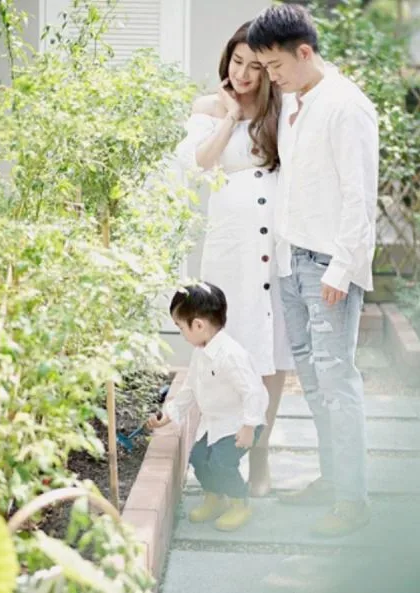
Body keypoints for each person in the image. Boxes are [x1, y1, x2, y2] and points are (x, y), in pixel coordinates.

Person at [247, 4, 379, 537]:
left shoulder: (347, 106)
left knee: (336, 380)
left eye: (275, 66)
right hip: (291, 260)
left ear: (304, 52)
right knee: (314, 381)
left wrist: (341, 270)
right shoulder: (295, 102)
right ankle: (332, 480)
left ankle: (353, 500)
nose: (271, 77)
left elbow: (359, 196)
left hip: (328, 265)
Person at [175, 21, 293, 498]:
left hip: (272, 247)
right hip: (229, 248)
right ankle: (220, 456)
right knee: (223, 351)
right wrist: (229, 115)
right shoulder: (208, 108)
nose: (242, 74)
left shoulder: (280, 110)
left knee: (269, 352)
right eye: (236, 62)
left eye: (254, 66)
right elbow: (200, 163)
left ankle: (259, 456)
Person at [148, 282, 267, 531]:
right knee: (200, 458)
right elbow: (190, 388)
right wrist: (169, 414)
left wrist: (249, 426)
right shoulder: (201, 351)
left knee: (222, 463)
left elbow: (253, 392)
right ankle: (215, 497)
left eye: (181, 327)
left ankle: (239, 503)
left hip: (240, 424)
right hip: (215, 423)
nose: (181, 333)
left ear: (198, 325)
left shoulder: (231, 355)